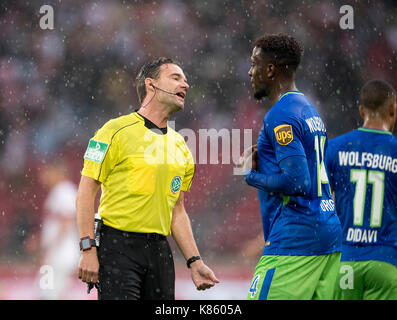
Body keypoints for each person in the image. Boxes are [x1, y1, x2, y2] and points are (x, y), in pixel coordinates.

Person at [76, 57, 219, 300]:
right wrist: (87, 248)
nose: (185, 84)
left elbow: (178, 210)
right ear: (151, 85)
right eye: (175, 78)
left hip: (160, 253)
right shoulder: (113, 131)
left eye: (185, 80)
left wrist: (194, 261)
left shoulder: (181, 146)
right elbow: (86, 192)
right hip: (118, 247)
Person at [241, 33, 342, 300]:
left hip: (295, 241)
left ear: (270, 69)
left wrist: (252, 176)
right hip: (328, 237)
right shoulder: (309, 109)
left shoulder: (281, 114)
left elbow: (298, 182)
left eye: (254, 64)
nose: (250, 72)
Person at [325, 80, 397, 299]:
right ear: (393, 109)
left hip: (346, 261)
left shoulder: (335, 147)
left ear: (361, 110)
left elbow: (318, 201)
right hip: (386, 261)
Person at [37, 160, 79, 299]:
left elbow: (67, 223)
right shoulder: (60, 191)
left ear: (57, 173)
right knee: (53, 293)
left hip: (60, 254)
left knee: (48, 294)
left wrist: (50, 250)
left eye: (48, 172)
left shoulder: (65, 191)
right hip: (59, 253)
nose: (45, 176)